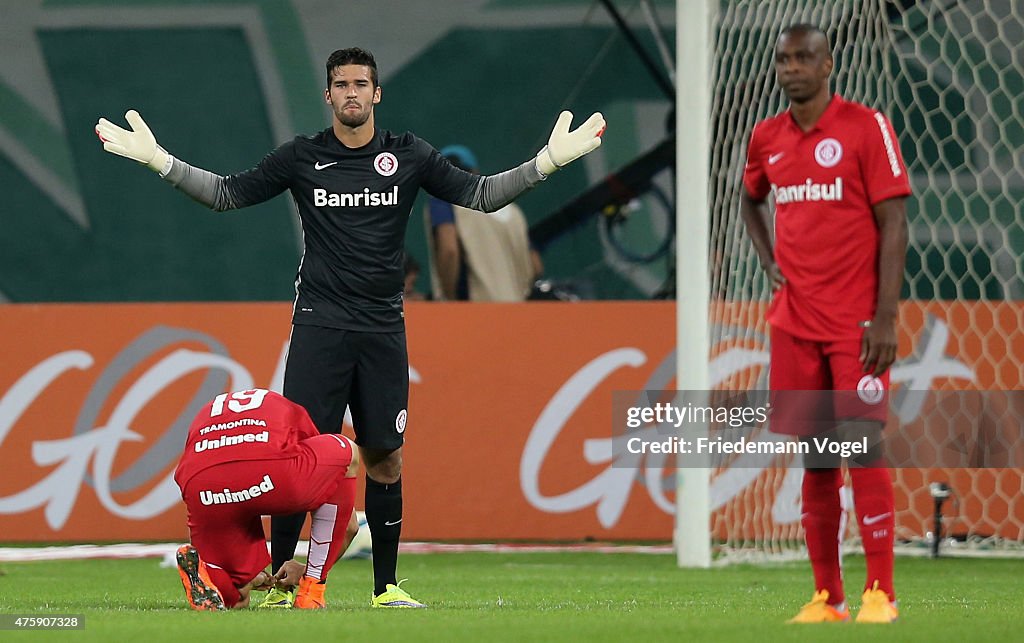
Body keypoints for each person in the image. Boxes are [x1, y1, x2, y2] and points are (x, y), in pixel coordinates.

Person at [95, 47, 605, 609]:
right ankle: (277, 587)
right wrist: (159, 161)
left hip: (384, 328)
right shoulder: (302, 157)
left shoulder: (408, 155)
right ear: (329, 95)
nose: (352, 93)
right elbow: (225, 194)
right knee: (298, 456)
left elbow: (480, 196)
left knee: (386, 456)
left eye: (362, 83)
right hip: (320, 325)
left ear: (377, 93)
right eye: (342, 85)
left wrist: (549, 162)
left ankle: (386, 588)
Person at [740, 24, 909, 624]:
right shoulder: (767, 138)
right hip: (795, 322)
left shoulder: (867, 127)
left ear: (829, 64)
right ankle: (827, 596)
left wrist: (886, 315)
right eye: (784, 60)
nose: (792, 68)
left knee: (860, 448)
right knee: (816, 455)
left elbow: (895, 222)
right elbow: (748, 197)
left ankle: (880, 593)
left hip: (856, 324)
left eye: (804, 57)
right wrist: (768, 260)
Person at [173, 388, 359, 611]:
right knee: (347, 451)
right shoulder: (290, 409)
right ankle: (312, 591)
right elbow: (346, 523)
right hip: (269, 475)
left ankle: (211, 581)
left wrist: (252, 576)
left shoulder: (208, 411)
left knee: (238, 596)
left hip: (202, 484)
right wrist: (311, 569)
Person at [424, 145, 543, 301]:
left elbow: (449, 250)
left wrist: (449, 299)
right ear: (475, 172)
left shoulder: (444, 200)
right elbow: (535, 265)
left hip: (478, 312)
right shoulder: (513, 212)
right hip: (518, 310)